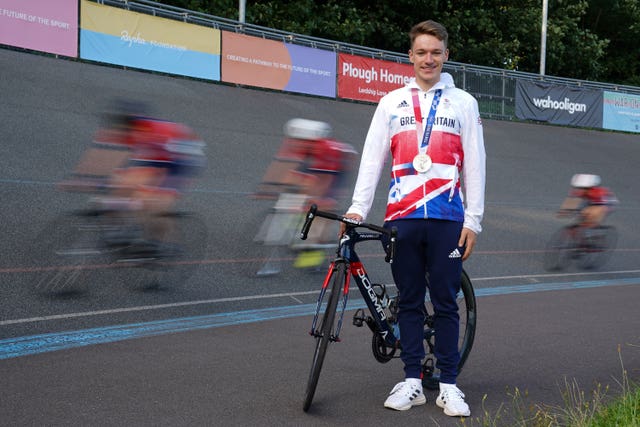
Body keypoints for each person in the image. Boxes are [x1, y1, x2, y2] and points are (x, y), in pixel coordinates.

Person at [341, 20, 485, 417]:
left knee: (445, 303)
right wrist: (357, 208)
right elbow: (372, 159)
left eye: (435, 52)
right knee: (408, 300)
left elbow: (475, 164)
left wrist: (473, 220)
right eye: (421, 52)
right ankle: (412, 382)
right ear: (410, 56)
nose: (428, 59)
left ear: (446, 56)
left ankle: (450, 386)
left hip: (448, 217)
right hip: (401, 216)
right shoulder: (390, 102)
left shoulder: (464, 103)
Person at [63, 99, 206, 252]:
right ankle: (120, 230)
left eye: (128, 127)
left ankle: (161, 243)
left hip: (183, 160)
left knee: (152, 202)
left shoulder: (154, 132)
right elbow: (100, 154)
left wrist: (140, 189)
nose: (124, 131)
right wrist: (79, 177)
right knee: (121, 188)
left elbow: (151, 170)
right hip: (157, 156)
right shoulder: (121, 130)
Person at [254, 118, 356, 273]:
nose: (297, 144)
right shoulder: (298, 142)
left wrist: (315, 202)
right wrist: (267, 187)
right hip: (314, 163)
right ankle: (296, 232)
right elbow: (282, 164)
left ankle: (316, 248)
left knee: (321, 208)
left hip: (337, 171)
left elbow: (324, 181)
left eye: (301, 141)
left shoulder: (326, 149)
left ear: (312, 141)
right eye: (296, 140)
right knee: (294, 185)